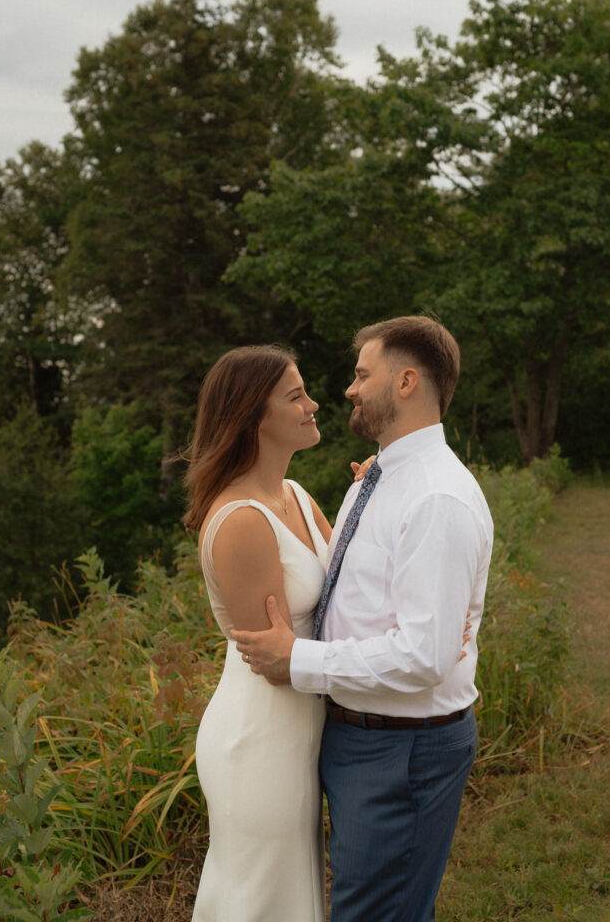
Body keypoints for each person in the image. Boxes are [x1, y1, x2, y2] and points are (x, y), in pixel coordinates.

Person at [233, 316, 494, 922]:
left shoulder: (434, 497)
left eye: (361, 374)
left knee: (377, 912)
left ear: (406, 382)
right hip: (363, 739)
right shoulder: (377, 479)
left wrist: (297, 659)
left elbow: (426, 658)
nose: (348, 390)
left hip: (401, 751)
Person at [184, 344, 333, 922]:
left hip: (302, 728)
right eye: (296, 396)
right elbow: (272, 665)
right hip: (262, 738)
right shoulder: (242, 521)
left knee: (292, 894)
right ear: (253, 416)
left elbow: (350, 578)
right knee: (263, 900)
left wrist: (379, 486)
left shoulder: (293, 496)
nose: (313, 404)